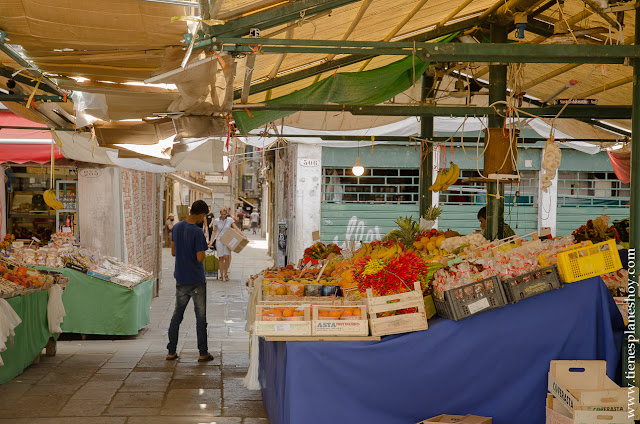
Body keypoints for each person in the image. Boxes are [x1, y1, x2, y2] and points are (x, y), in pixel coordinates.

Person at [167, 200, 213, 362]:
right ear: (201, 215)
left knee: (176, 316)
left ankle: (171, 351)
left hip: (181, 278)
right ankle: (203, 353)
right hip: (196, 280)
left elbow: (173, 252)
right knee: (200, 318)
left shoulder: (177, 227)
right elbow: (200, 257)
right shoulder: (197, 232)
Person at [211, 207, 241, 281]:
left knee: (227, 257)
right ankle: (221, 275)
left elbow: (236, 228)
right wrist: (211, 241)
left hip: (227, 240)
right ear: (220, 214)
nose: (223, 216)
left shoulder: (230, 220)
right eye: (222, 214)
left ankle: (226, 274)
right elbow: (214, 231)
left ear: (227, 213)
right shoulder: (217, 221)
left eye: (224, 214)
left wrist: (242, 236)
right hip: (219, 240)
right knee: (221, 257)